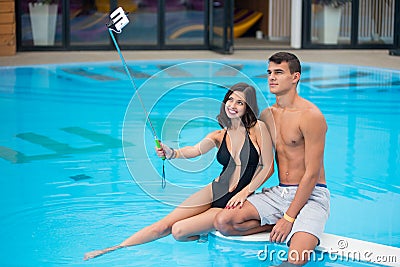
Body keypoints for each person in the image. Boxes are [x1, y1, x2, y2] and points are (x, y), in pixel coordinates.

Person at [84, 82, 274, 260]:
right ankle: (114, 248)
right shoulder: (218, 135)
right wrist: (171, 152)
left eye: (239, 102)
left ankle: (267, 224)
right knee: (164, 226)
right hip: (215, 189)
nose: (232, 105)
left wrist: (245, 192)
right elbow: (194, 150)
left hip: (235, 200)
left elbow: (268, 167)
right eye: (230, 100)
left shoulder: (257, 128)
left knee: (179, 231)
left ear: (248, 106)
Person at [214, 52, 330, 266]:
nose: (271, 78)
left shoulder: (311, 116)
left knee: (295, 258)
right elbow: (247, 149)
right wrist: (244, 189)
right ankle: (273, 224)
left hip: (311, 194)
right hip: (280, 192)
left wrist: (289, 218)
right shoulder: (267, 115)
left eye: (279, 72)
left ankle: (295, 227)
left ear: (295, 77)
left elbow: (312, 174)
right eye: (269, 73)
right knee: (224, 222)